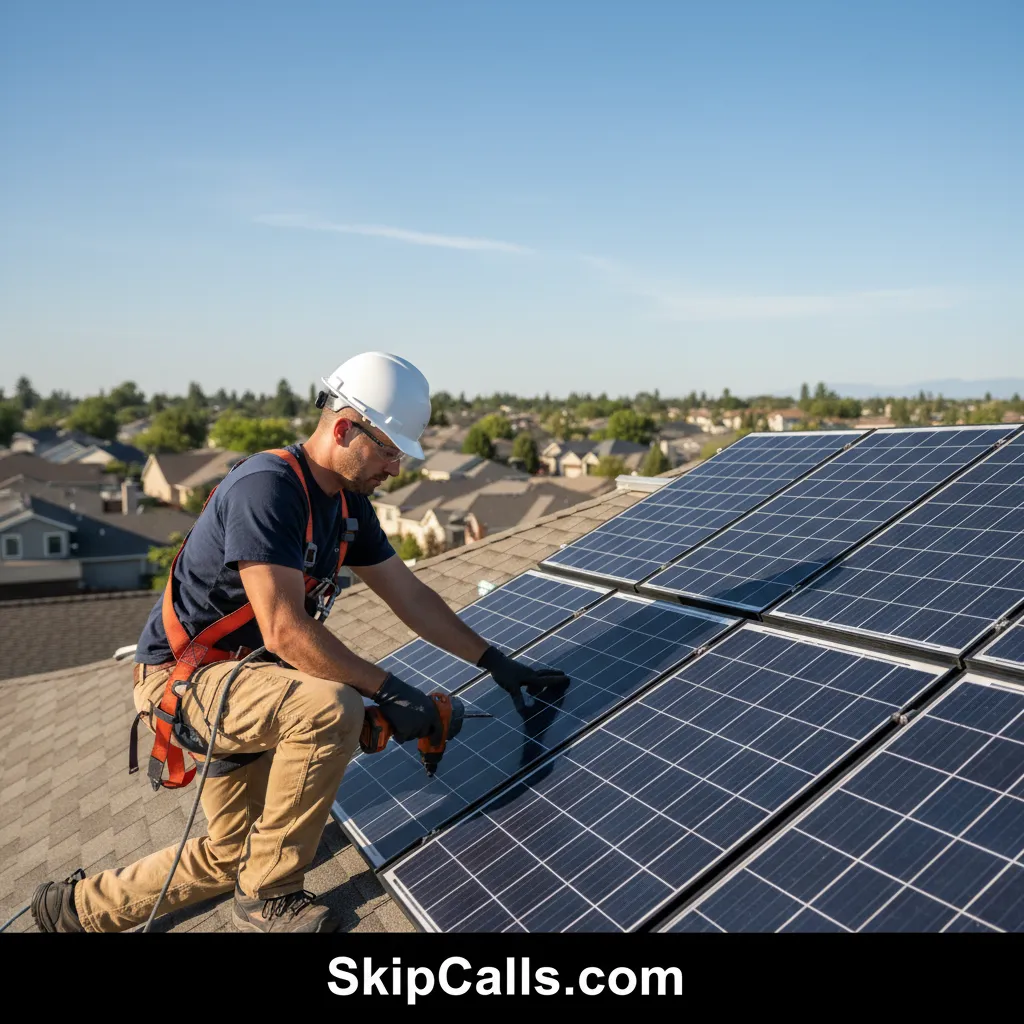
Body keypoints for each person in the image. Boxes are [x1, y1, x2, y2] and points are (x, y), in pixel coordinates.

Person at [31, 352, 566, 933]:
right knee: (330, 708)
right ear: (344, 428)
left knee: (232, 854)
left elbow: (410, 596)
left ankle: (75, 908)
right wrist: (388, 691)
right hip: (187, 680)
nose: (395, 468)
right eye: (389, 451)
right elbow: (284, 629)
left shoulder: (347, 507)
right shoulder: (268, 489)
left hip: (255, 679)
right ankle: (269, 896)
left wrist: (495, 661)